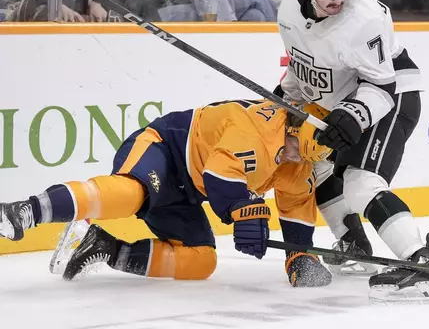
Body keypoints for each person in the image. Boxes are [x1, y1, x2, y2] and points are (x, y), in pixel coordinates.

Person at [0, 99, 333, 288]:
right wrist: (242, 209)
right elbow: (218, 175)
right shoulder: (256, 131)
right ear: (290, 130)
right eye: (295, 149)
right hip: (163, 150)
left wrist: (299, 256)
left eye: (305, 156)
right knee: (132, 192)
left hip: (186, 192)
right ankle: (24, 211)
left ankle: (105, 247)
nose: (296, 158)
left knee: (201, 261)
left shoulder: (298, 159)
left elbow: (296, 206)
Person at [274, 0, 429, 302]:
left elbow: (382, 85)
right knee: (313, 163)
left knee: (360, 181)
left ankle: (419, 258)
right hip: (345, 97)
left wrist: (353, 115)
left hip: (391, 96)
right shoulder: (288, 8)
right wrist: (286, 98)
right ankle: (354, 245)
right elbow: (301, 63)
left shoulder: (365, 19)